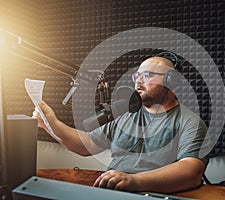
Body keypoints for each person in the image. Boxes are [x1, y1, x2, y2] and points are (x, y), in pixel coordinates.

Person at [33, 52, 208, 193]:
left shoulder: (190, 122)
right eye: (137, 76)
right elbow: (85, 144)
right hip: (112, 191)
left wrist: (133, 181)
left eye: (147, 75)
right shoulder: (127, 116)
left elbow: (191, 171)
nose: (139, 81)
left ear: (172, 81)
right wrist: (51, 123)